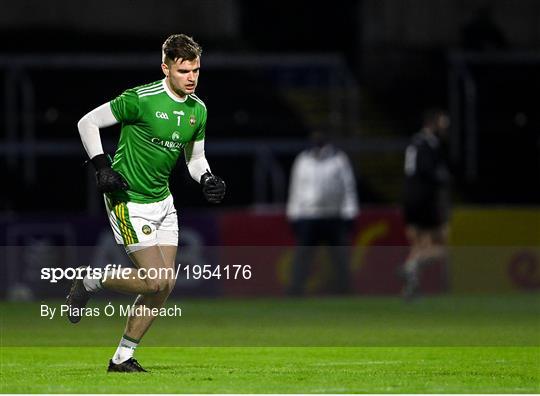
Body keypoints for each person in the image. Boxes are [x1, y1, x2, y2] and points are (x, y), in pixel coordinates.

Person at [68, 34, 226, 372]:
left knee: (164, 285)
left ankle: (122, 358)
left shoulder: (197, 109)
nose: (192, 77)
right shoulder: (140, 98)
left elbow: (195, 159)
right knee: (154, 279)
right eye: (184, 70)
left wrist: (207, 178)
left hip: (163, 202)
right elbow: (88, 122)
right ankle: (90, 280)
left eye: (196, 70)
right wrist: (102, 167)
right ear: (165, 69)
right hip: (129, 200)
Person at [286, 131, 359, 295]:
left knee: (339, 257)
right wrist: (293, 213)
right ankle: (295, 291)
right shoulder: (303, 160)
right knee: (303, 257)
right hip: (308, 216)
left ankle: (344, 290)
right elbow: (295, 189)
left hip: (333, 216)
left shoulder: (339, 159)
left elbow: (348, 188)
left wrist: (350, 212)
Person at [400, 108, 451, 299]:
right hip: (424, 199)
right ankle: (409, 267)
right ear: (432, 124)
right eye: (443, 124)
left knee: (419, 245)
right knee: (439, 247)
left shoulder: (414, 142)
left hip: (410, 198)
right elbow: (428, 171)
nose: (446, 128)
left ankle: (409, 289)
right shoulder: (428, 145)